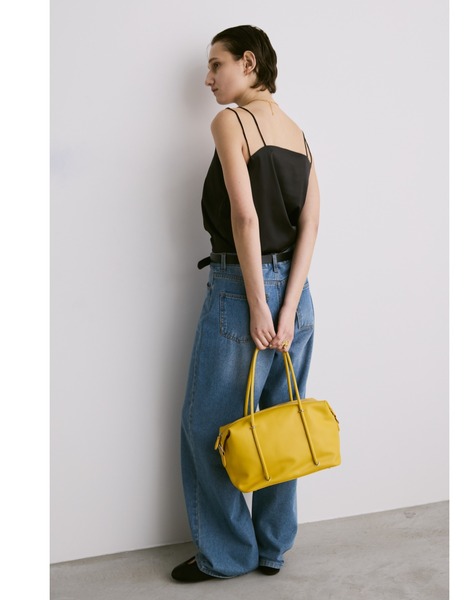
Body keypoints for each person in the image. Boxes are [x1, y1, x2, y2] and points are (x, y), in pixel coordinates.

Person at [171, 25, 320, 582]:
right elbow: (310, 225)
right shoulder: (299, 134)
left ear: (248, 62)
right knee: (282, 422)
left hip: (240, 291)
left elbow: (245, 217)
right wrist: (288, 307)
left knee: (209, 427)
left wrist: (258, 304)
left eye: (217, 65)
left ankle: (228, 555)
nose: (208, 79)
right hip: (298, 298)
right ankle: (272, 547)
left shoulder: (231, 121)